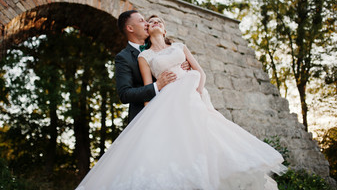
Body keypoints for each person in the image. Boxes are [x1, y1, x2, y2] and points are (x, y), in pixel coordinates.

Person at [76, 15, 287, 190]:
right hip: (165, 105)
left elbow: (199, 71)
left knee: (206, 142)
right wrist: (157, 91)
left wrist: (196, 90)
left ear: (165, 30)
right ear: (132, 28)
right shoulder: (135, 56)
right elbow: (128, 93)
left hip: (191, 98)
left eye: (154, 21)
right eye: (144, 21)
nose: (149, 23)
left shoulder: (178, 47)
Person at [114, 10, 188, 123]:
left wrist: (182, 65)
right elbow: (125, 94)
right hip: (146, 117)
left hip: (176, 106)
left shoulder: (167, 47)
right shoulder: (123, 57)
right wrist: (156, 86)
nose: (147, 23)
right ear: (130, 28)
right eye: (141, 21)